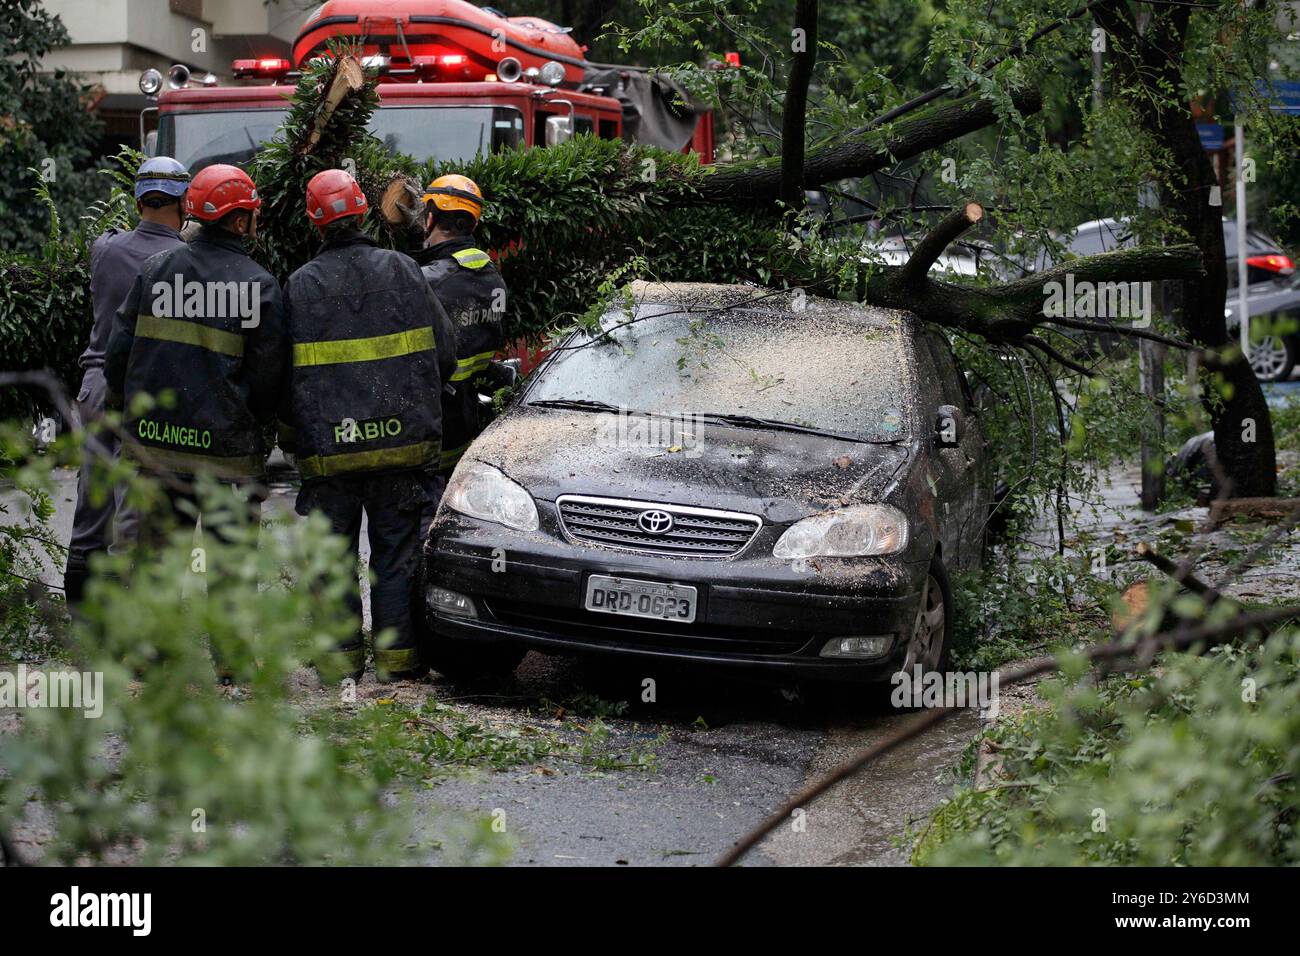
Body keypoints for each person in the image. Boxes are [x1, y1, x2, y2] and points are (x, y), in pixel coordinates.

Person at [283, 169, 456, 683]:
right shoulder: (404, 271)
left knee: (332, 560)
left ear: (316, 225)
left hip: (329, 456)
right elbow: (443, 353)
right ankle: (397, 666)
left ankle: (339, 671)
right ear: (363, 211)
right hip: (401, 451)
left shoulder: (298, 286)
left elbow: (281, 375)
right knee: (396, 558)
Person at [104, 163, 285, 544]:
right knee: (229, 578)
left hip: (158, 453)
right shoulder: (258, 285)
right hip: (227, 458)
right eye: (252, 212)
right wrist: (256, 424)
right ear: (238, 223)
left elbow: (119, 354)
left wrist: (124, 406)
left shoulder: (155, 271)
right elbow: (269, 379)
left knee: (158, 570)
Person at [63, 157, 189, 604]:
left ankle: (80, 617)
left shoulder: (105, 248)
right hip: (148, 389)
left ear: (138, 200)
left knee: (92, 498)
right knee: (134, 505)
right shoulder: (182, 261)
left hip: (96, 384)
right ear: (184, 202)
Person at [408, 174, 507, 481]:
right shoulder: (493, 277)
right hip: (465, 422)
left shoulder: (426, 282)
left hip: (429, 428)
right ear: (473, 225)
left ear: (431, 217)